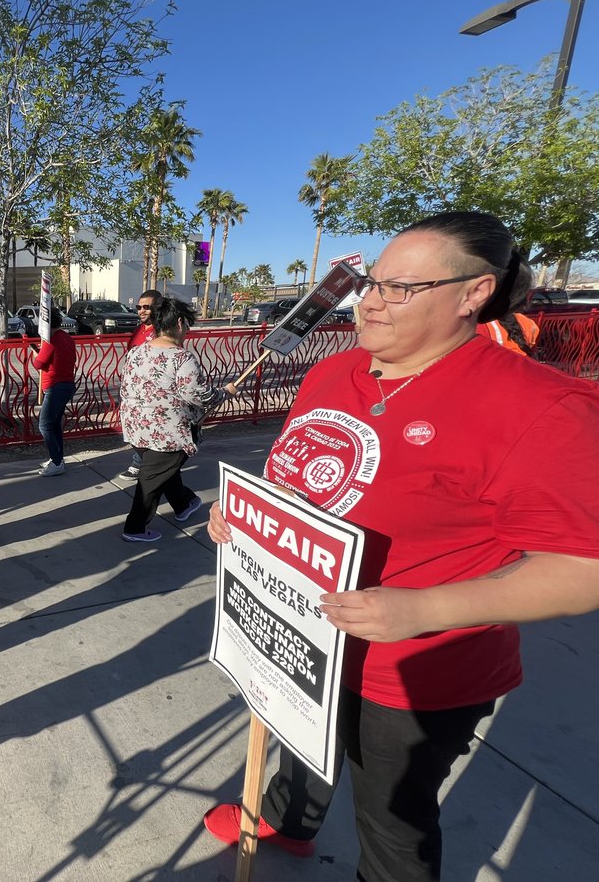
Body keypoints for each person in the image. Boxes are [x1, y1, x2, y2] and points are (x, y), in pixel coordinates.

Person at [202, 210, 599, 882]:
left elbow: (583, 567)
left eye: (400, 289)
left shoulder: (541, 406)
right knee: (300, 743)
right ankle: (289, 819)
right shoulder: (334, 372)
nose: (370, 303)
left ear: (474, 292)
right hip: (305, 636)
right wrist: (243, 516)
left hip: (413, 669)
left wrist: (421, 610)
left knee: (392, 823)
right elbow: (296, 477)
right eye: (371, 284)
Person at [117, 297, 226, 543]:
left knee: (162, 471)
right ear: (179, 323)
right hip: (166, 434)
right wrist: (224, 393)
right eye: (187, 324)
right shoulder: (181, 358)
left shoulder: (136, 352)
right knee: (151, 479)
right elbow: (197, 395)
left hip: (137, 429)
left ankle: (185, 503)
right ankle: (135, 528)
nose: (187, 330)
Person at [118, 289, 163, 482]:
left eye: (146, 307)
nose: (141, 311)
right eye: (139, 307)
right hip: (132, 388)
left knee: (147, 428)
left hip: (151, 390)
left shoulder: (161, 331)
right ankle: (144, 462)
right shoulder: (139, 329)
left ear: (157, 308)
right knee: (133, 428)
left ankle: (140, 464)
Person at [30, 307, 77, 477]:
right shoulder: (66, 337)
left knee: (45, 425)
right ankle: (57, 458)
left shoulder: (51, 341)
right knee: (54, 424)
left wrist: (36, 355)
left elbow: (38, 364)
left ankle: (57, 462)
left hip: (55, 386)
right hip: (66, 384)